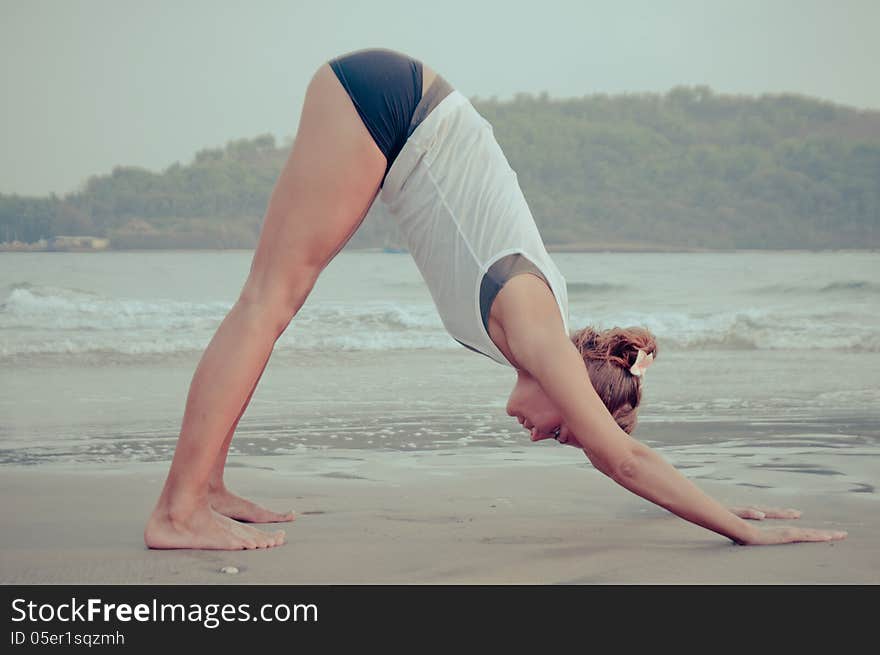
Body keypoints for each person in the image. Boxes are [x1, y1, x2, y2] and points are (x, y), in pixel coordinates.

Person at [144, 47, 847, 550]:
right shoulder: (538, 327)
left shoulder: (545, 338)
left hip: (396, 113)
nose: (545, 436)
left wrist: (711, 499)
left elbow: (622, 448)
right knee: (269, 301)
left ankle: (204, 486)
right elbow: (623, 460)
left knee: (271, 301)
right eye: (565, 430)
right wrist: (743, 530)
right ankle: (178, 508)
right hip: (390, 106)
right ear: (572, 383)